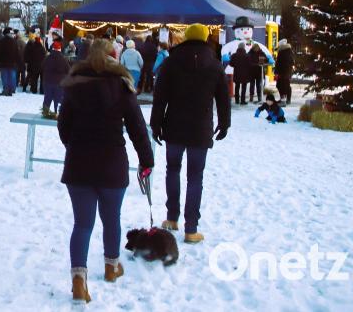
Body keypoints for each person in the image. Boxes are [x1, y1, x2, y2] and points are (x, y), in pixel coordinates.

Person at [58, 40, 155, 299]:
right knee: (112, 219)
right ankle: (112, 267)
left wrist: (74, 145)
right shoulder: (122, 86)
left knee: (82, 224)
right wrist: (147, 160)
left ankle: (79, 278)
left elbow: (63, 126)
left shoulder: (75, 85)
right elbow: (137, 128)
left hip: (78, 164)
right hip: (112, 163)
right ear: (115, 56)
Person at [149, 23, 230, 244]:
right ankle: (191, 228)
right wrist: (224, 124)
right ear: (205, 38)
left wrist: (155, 124)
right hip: (200, 128)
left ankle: (172, 217)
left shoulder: (170, 62)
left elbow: (160, 97)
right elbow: (223, 98)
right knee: (195, 177)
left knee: (172, 170)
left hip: (174, 126)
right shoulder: (214, 64)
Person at [42, 41, 70, 114]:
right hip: (59, 83)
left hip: (47, 81)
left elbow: (42, 67)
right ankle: (57, 114)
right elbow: (68, 70)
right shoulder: (63, 59)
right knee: (58, 99)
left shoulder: (48, 58)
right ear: (60, 49)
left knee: (47, 98)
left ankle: (45, 112)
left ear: (53, 49)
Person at [0, 28, 21, 96]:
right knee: (12, 75)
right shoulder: (14, 41)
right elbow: (17, 52)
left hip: (3, 62)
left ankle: (6, 89)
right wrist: (18, 61)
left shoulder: (1, 41)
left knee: (4, 76)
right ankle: (12, 89)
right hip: (12, 62)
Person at [274, 39, 294, 105]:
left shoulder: (283, 52)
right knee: (286, 85)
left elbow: (279, 63)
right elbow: (292, 62)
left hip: (283, 72)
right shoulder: (289, 51)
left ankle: (283, 101)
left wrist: (277, 71)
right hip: (287, 72)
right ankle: (287, 100)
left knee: (282, 85)